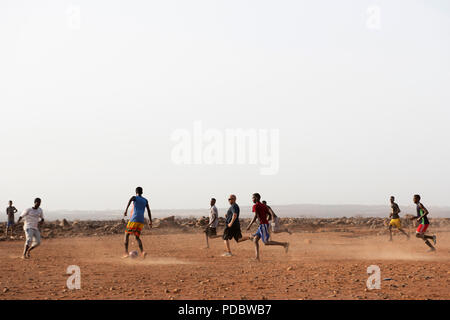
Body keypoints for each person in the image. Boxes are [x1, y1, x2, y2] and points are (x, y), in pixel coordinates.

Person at [247, 193, 289, 261]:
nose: (252, 199)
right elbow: (268, 214)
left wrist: (249, 225)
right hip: (263, 225)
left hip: (263, 225)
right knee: (255, 240)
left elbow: (255, 216)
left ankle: (284, 244)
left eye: (253, 198)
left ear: (256, 198)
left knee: (266, 242)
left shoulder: (256, 206)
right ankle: (257, 258)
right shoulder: (264, 206)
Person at [123, 187, 152, 259]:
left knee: (126, 234)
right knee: (137, 237)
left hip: (134, 219)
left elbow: (130, 200)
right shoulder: (145, 200)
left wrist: (126, 210)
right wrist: (150, 221)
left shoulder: (134, 197)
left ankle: (126, 253)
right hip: (141, 220)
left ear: (136, 192)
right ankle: (142, 252)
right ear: (142, 192)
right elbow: (148, 210)